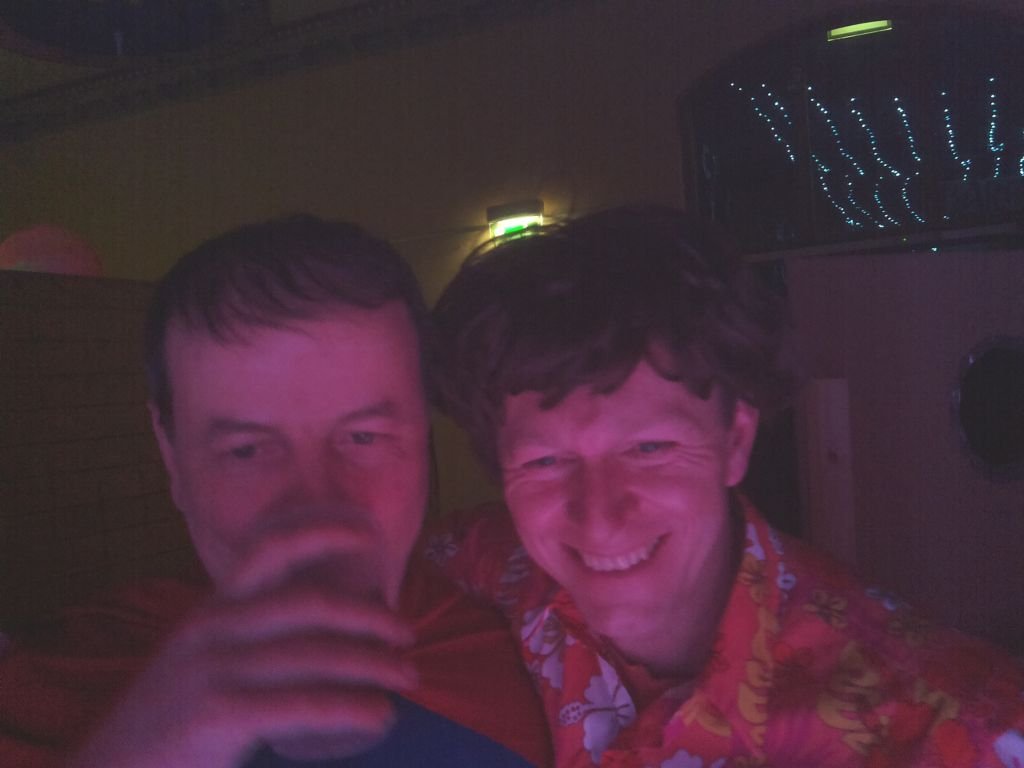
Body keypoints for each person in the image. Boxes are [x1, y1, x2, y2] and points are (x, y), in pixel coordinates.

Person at [427, 206, 1024, 767]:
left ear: (735, 441)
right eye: (546, 461)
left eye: (649, 449)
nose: (599, 518)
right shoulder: (491, 564)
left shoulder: (957, 732)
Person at [0, 216, 550, 768]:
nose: (316, 510)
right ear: (171, 457)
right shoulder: (57, 685)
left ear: (423, 441)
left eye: (364, 437)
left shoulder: (534, 657)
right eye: (246, 450)